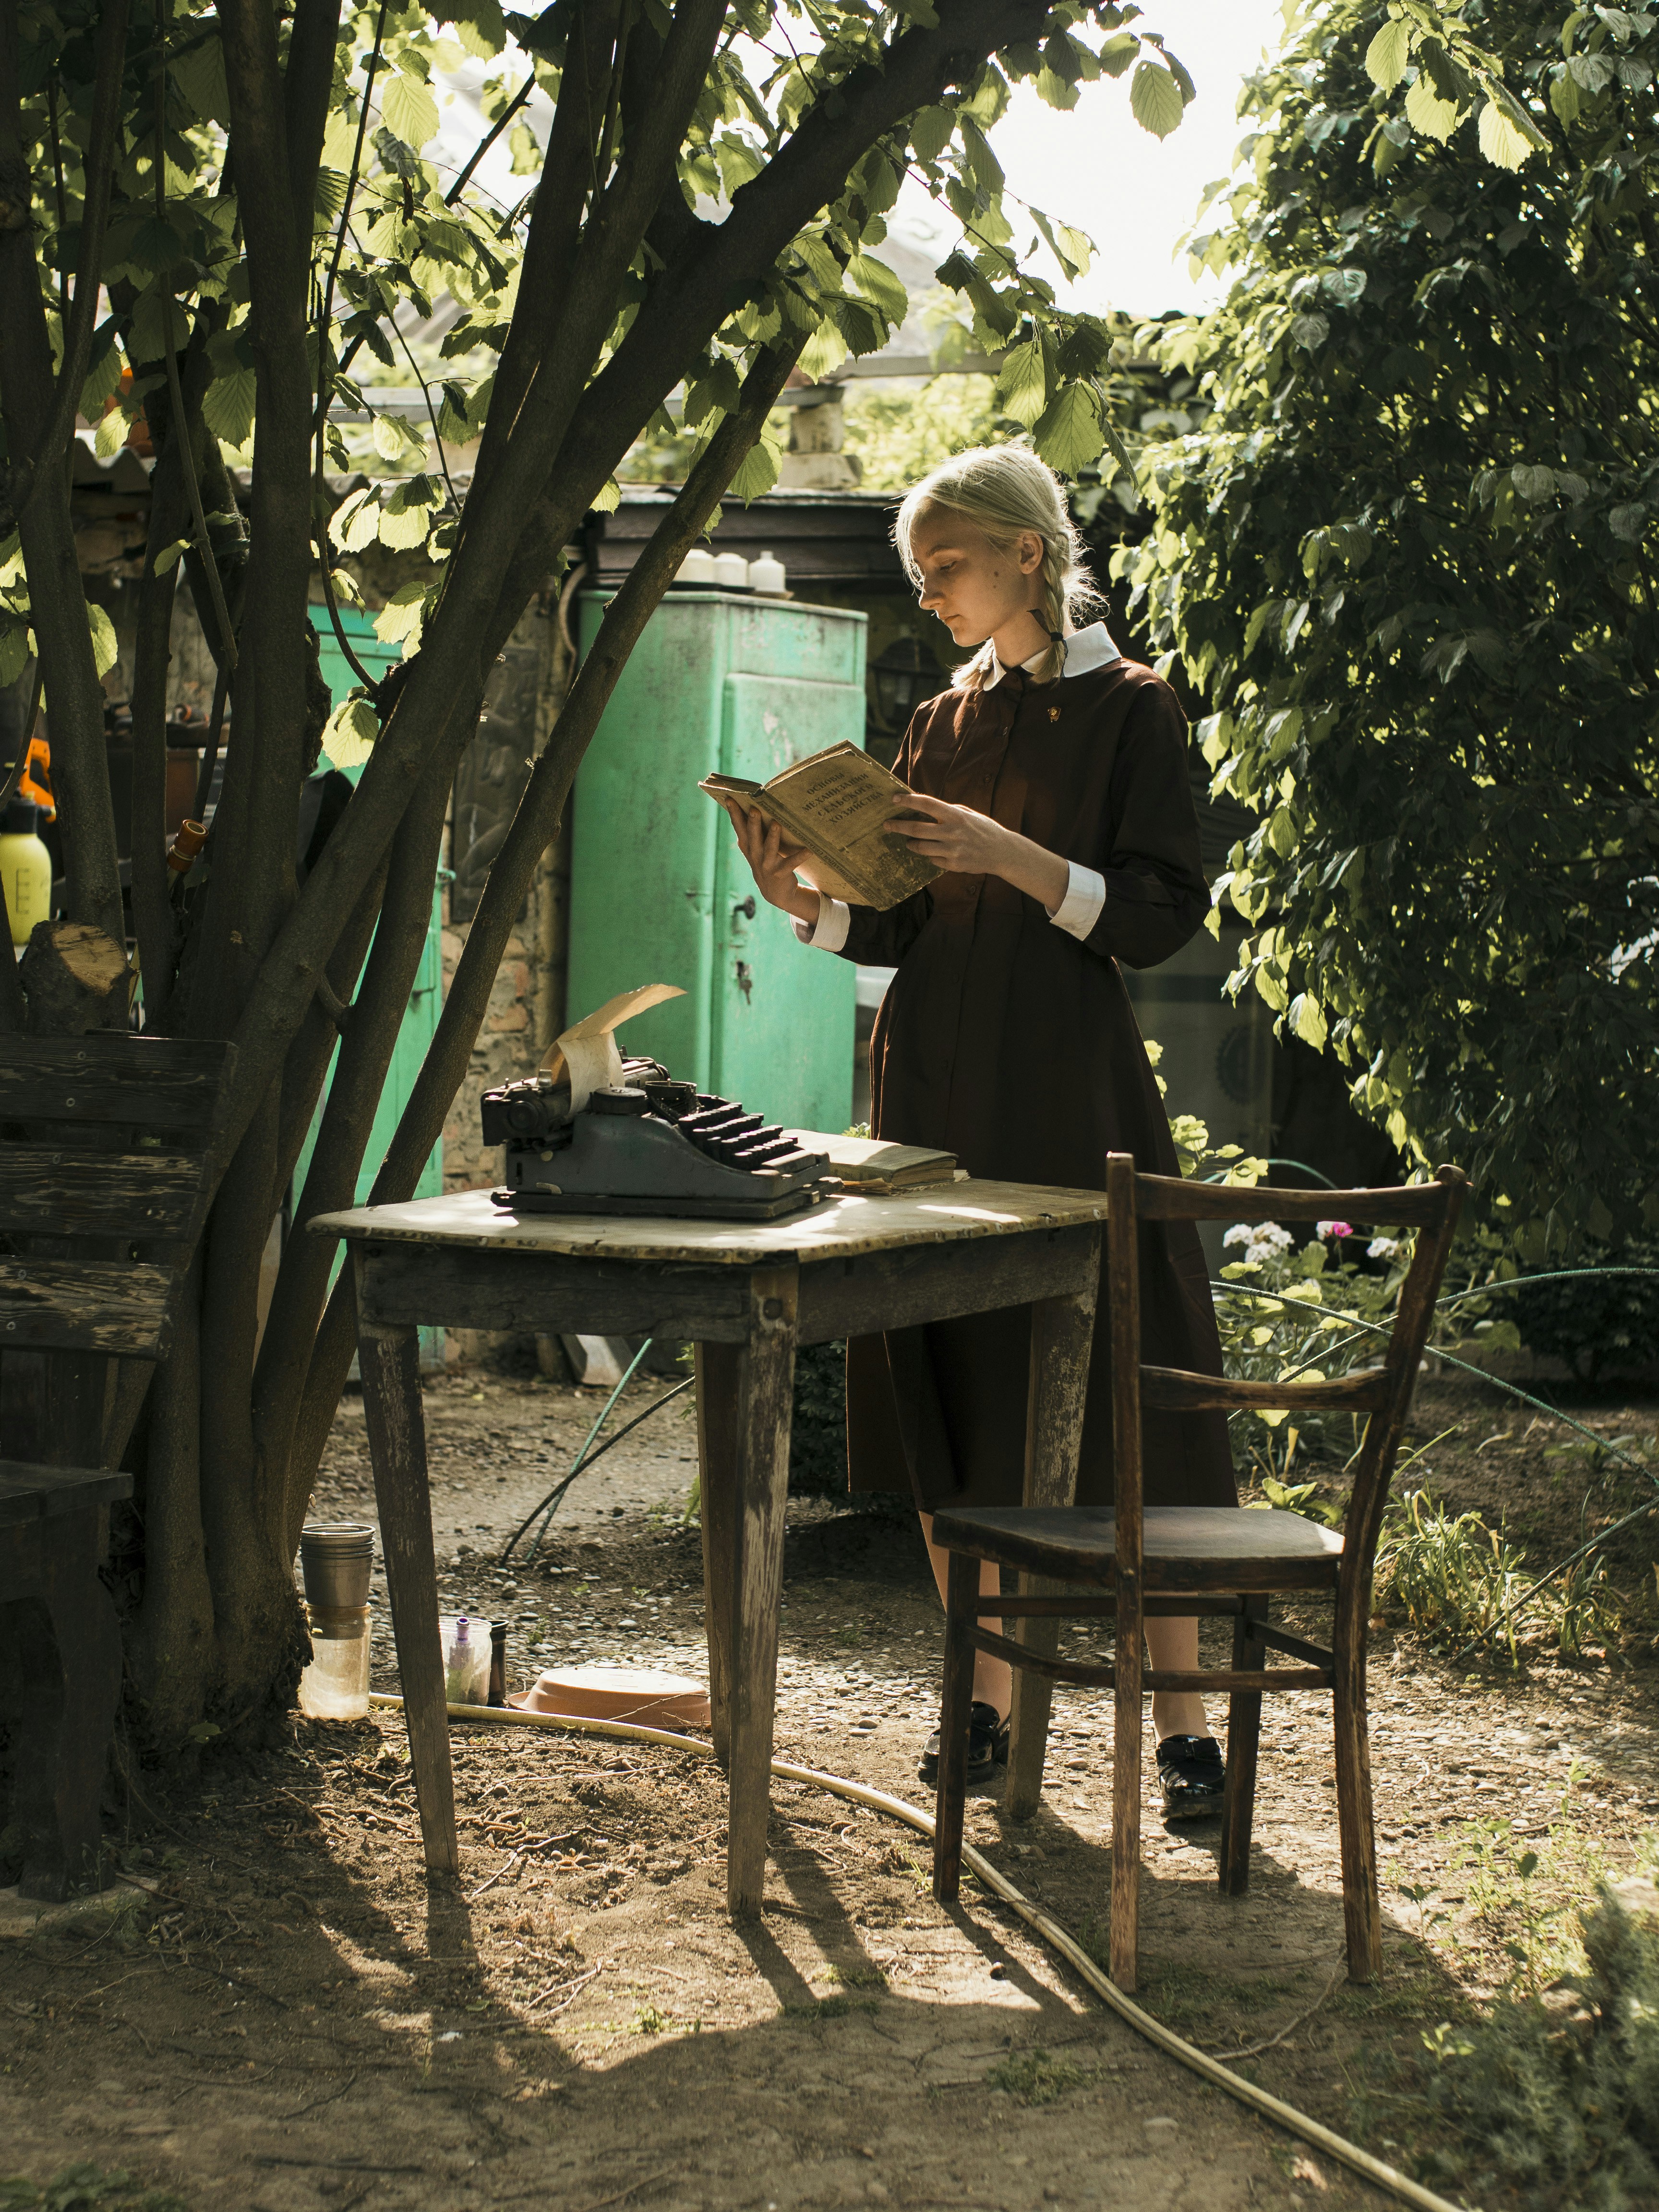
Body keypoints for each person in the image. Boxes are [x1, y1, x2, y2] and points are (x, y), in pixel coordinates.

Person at [727, 443, 1237, 1822]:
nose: (930, 592)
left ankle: (1185, 1735)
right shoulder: (943, 723)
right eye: (917, 573)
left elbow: (1154, 915)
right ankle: (984, 1712)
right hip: (930, 1099)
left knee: (1125, 1400)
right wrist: (801, 896)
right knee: (952, 1391)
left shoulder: (1136, 709)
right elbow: (897, 923)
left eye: (944, 565)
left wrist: (1010, 856)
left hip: (1068, 1100)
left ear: (1026, 552)